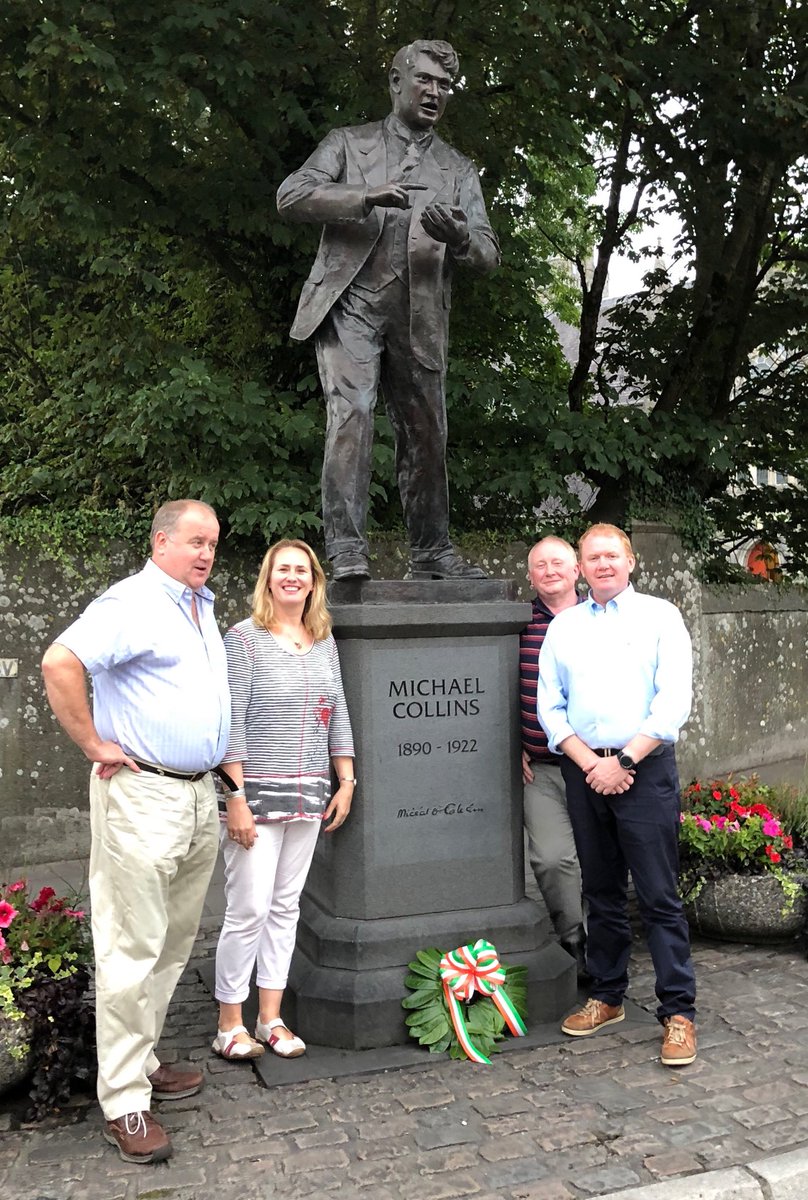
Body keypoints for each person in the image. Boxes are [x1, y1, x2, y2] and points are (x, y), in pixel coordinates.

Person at [41, 500, 231, 1163]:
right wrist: (92, 742)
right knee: (132, 946)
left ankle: (141, 1058)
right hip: (144, 793)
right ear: (160, 540)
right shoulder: (131, 603)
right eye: (195, 541)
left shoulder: (199, 607)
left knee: (173, 942)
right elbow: (59, 662)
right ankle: (124, 1100)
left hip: (195, 794)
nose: (206, 553)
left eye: (213, 543)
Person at [277, 39, 499, 581]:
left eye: (444, 85)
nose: (434, 92)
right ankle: (347, 550)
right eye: (424, 80)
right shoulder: (348, 144)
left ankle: (431, 553)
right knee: (351, 415)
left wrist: (462, 237)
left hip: (420, 313)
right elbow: (291, 195)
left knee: (427, 431)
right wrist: (365, 195)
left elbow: (490, 253)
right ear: (396, 82)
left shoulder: (457, 169)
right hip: (352, 302)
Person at [537, 524, 697, 1066]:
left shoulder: (660, 617)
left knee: (658, 896)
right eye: (593, 557)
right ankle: (607, 995)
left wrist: (624, 761)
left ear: (630, 561)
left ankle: (678, 1011)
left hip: (644, 770)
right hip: (587, 771)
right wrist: (592, 765)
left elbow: (673, 701)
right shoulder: (565, 627)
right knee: (600, 890)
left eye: (612, 555)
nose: (603, 564)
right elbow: (549, 707)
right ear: (580, 568)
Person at [212, 539, 355, 1060]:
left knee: (285, 907)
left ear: (314, 581)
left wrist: (346, 780)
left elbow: (337, 710)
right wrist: (236, 798)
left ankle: (270, 1018)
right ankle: (230, 1022)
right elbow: (230, 726)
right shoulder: (243, 639)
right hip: (256, 798)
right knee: (247, 908)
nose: (292, 577)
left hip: (310, 794)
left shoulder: (323, 640)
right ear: (268, 579)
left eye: (301, 570)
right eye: (282, 569)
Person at [519, 537, 587, 978]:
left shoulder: (598, 618)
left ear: (576, 570)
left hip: (595, 766)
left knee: (597, 856)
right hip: (539, 767)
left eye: (558, 563)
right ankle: (574, 942)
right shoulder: (517, 623)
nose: (549, 571)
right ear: (530, 576)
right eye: (540, 565)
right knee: (552, 857)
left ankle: (605, 944)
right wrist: (511, 747)